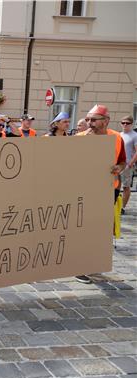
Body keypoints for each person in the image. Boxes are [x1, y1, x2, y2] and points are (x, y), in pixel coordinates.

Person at [75, 104, 126, 284]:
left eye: (93, 120)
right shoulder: (79, 137)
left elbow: (122, 162)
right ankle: (79, 266)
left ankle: (93, 262)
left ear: (106, 121)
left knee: (101, 228)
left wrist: (118, 168)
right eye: (87, 119)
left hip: (109, 188)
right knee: (83, 227)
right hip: (84, 189)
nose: (89, 123)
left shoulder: (117, 137)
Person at [119, 116, 137, 214]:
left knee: (126, 186)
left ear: (131, 124)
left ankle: (122, 207)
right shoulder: (119, 134)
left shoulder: (134, 135)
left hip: (127, 165)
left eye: (127, 123)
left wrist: (130, 163)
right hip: (118, 164)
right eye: (123, 123)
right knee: (115, 186)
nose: (125, 125)